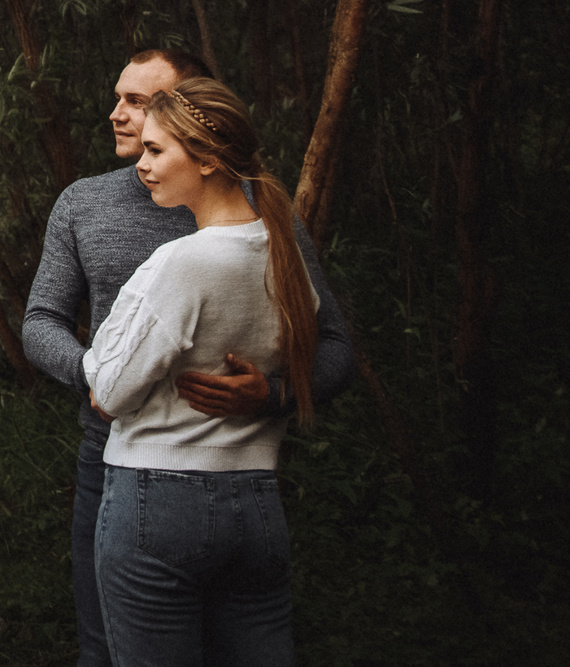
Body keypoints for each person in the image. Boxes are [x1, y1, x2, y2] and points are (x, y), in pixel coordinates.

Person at [23, 50, 353, 667]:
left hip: (227, 468)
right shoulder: (84, 205)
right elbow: (41, 321)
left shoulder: (266, 216)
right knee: (104, 649)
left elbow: (331, 344)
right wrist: (89, 372)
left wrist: (272, 396)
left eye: (141, 102)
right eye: (119, 98)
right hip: (114, 455)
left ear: (197, 120)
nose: (118, 114)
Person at [83, 78, 316, 666]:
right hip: (257, 503)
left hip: (157, 502)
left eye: (156, 150)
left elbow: (107, 391)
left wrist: (102, 347)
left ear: (208, 159)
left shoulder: (181, 262)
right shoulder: (281, 251)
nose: (142, 164)